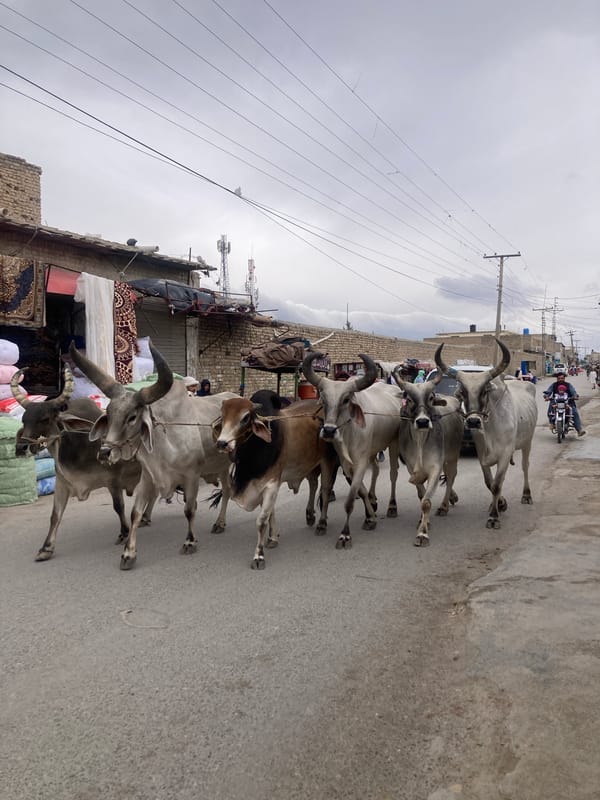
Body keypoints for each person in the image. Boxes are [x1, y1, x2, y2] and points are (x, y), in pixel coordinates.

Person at [543, 369, 585, 436]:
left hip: (568, 402)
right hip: (556, 402)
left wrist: (575, 396)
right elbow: (548, 391)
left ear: (564, 378)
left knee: (574, 412)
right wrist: (546, 396)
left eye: (562, 378)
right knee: (550, 411)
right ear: (557, 379)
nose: (560, 379)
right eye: (559, 378)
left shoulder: (568, 385)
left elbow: (573, 392)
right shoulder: (553, 385)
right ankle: (552, 423)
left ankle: (579, 430)